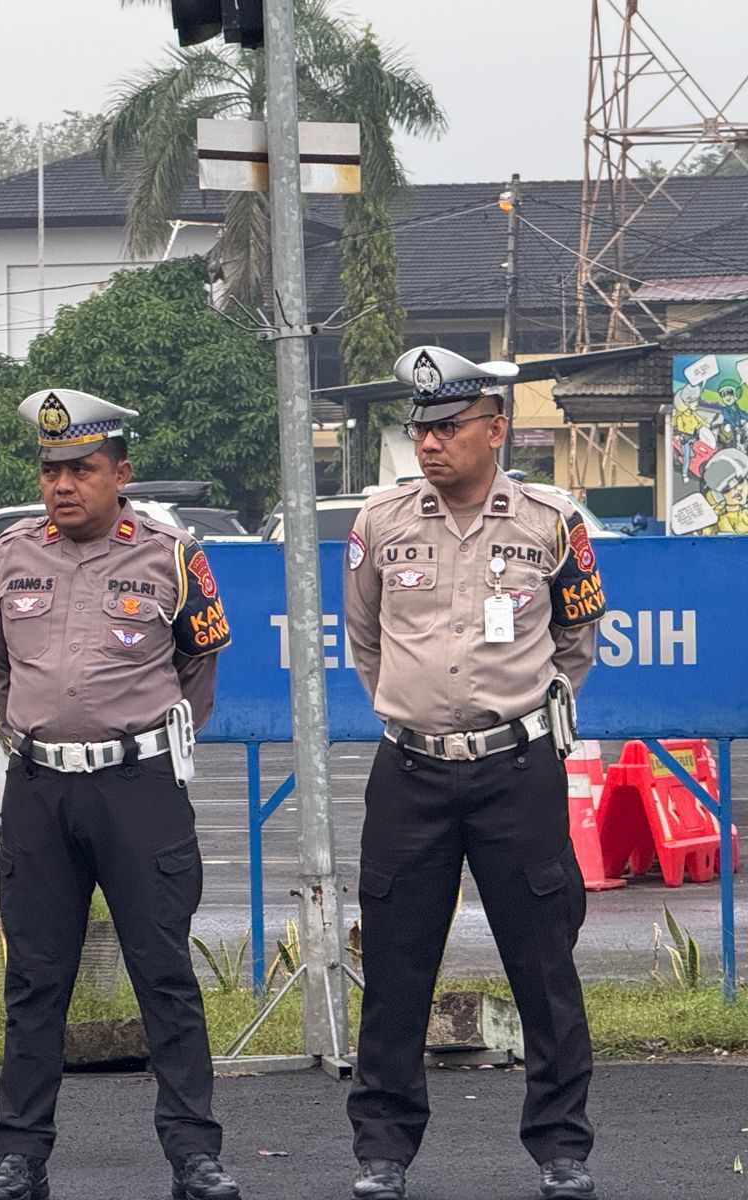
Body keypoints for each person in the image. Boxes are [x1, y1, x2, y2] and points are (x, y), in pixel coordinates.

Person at [343, 346, 608, 1200]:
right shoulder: (381, 521)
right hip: (410, 771)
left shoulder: (551, 522)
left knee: (544, 964)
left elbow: (575, 640)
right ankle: (383, 1153)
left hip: (515, 771)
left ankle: (562, 1149)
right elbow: (366, 639)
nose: (430, 443)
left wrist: (520, 713)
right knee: (395, 967)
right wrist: (417, 709)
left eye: (449, 427)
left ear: (495, 430)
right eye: (420, 428)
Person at [0, 388, 239, 1200]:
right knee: (35, 979)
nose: (62, 485)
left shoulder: (171, 555)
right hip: (41, 790)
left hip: (138, 788)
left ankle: (194, 1155)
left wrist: (142, 742)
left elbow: (197, 668)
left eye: (82, 469)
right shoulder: (8, 557)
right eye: (51, 470)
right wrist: (43, 732)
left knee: (163, 974)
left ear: (120, 474)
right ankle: (20, 1157)